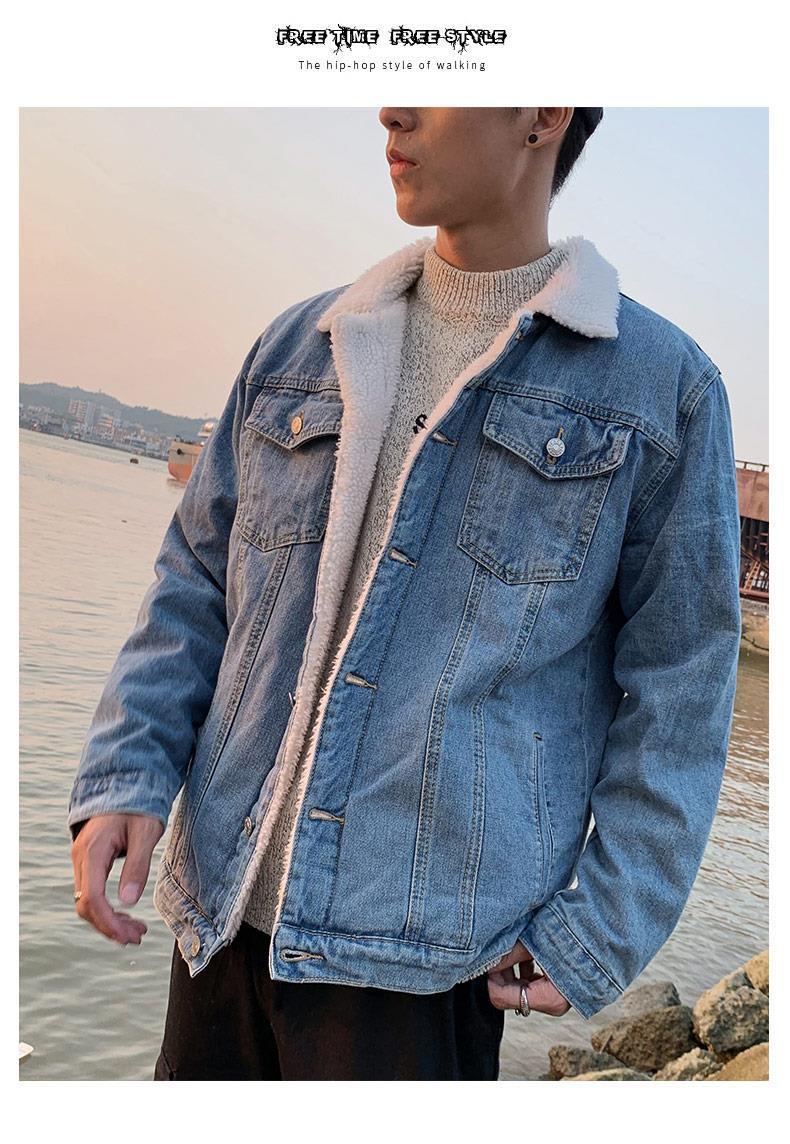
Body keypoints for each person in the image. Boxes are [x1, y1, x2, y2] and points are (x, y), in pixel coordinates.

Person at [67, 107, 742, 1081]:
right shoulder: (301, 345)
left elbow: (681, 690)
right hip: (220, 914)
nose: (392, 106)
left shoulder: (659, 390)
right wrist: (128, 770)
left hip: (423, 970)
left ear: (542, 114)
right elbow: (197, 580)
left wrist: (598, 926)